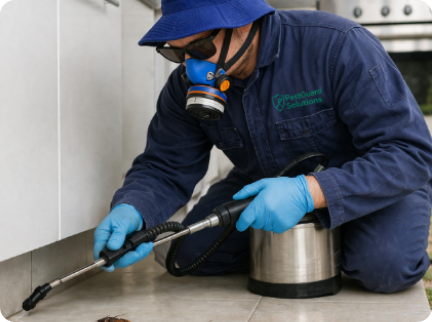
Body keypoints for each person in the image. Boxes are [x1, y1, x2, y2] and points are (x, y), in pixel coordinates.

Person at [93, 0, 432, 294]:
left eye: (199, 49)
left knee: (385, 265)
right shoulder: (183, 87)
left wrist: (309, 192)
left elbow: (410, 152)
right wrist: (134, 209)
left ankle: (348, 233)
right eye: (176, 52)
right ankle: (325, 237)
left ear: (242, 23)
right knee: (189, 253)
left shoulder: (337, 46)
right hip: (260, 185)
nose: (190, 66)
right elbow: (165, 166)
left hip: (371, 183)